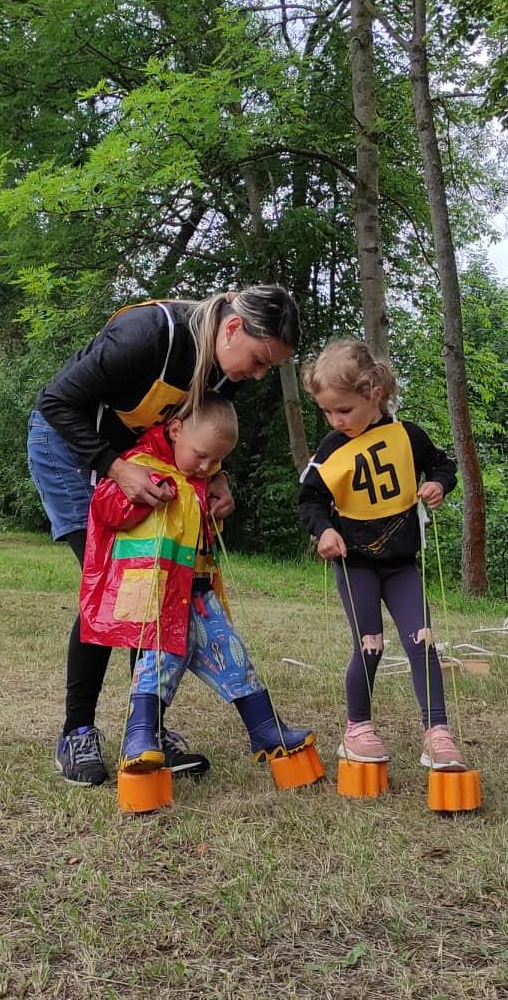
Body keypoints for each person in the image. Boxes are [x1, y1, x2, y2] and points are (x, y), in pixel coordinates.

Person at [27, 285, 300, 784]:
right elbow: (56, 402)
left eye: (268, 368)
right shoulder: (148, 335)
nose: (258, 375)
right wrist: (114, 469)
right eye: (260, 360)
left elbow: (200, 429)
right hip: (69, 448)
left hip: (139, 460)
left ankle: (146, 731)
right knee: (115, 586)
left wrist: (215, 475)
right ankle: (77, 732)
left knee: (156, 582)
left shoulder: (225, 365)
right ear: (233, 328)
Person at [80, 393, 313, 770]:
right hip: (158, 595)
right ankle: (140, 735)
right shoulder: (138, 467)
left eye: (217, 460)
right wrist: (144, 495)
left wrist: (217, 511)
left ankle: (266, 729)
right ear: (175, 431)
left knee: (234, 656)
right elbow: (105, 509)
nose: (207, 466)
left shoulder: (200, 481)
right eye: (201, 455)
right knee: (159, 662)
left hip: (200, 594)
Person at [298, 338, 467, 770]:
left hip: (402, 566)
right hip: (356, 566)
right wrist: (325, 530)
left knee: (423, 642)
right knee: (369, 645)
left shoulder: (408, 436)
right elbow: (309, 501)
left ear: (373, 392)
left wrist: (438, 485)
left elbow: (443, 465)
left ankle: (437, 733)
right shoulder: (330, 450)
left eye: (344, 410)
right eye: (327, 412)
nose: (336, 420)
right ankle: (358, 729)